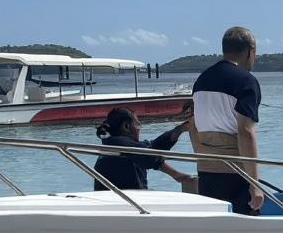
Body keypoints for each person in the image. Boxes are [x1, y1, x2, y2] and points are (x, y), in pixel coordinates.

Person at [189, 26, 264, 215]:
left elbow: (192, 125)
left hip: (206, 172)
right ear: (250, 51)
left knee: (216, 232)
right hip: (235, 173)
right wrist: (255, 184)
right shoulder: (246, 81)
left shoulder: (201, 80)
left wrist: (203, 157)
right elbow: (245, 132)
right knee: (246, 232)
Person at [92, 107, 195, 191]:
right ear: (126, 126)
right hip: (125, 206)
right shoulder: (118, 146)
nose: (139, 129)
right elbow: (147, 156)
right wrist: (177, 175)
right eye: (138, 124)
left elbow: (152, 147)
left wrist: (179, 130)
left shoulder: (112, 145)